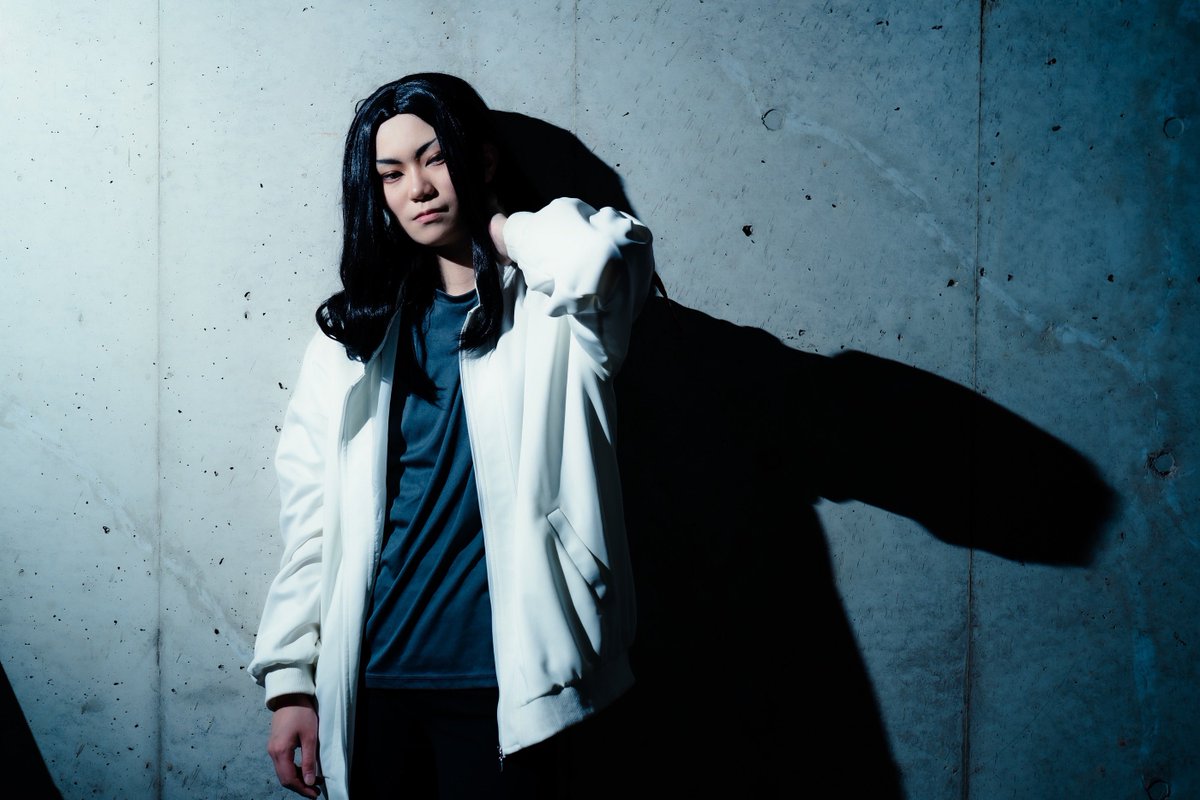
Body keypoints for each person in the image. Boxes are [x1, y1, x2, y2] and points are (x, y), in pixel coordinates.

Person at [248, 73, 655, 800]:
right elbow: (311, 517)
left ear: (482, 160)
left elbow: (603, 256)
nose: (419, 188)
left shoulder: (558, 317)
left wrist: (499, 230)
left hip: (515, 685)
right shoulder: (351, 338)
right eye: (392, 174)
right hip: (374, 679)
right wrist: (290, 680)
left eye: (436, 158)